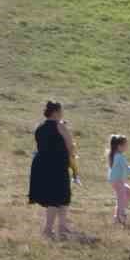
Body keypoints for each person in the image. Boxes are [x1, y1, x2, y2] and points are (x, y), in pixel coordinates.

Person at [28, 99, 78, 239]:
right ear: (55, 112)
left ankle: (62, 227)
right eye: (61, 111)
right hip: (57, 165)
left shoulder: (39, 127)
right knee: (56, 198)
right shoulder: (60, 126)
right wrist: (73, 160)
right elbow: (70, 146)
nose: (62, 114)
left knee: (62, 196)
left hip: (42, 164)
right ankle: (48, 230)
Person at [106, 134, 130, 226]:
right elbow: (126, 170)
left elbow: (123, 169)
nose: (127, 146)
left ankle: (119, 214)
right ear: (119, 146)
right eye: (125, 144)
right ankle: (119, 217)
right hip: (117, 181)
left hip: (117, 180)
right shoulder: (119, 157)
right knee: (121, 199)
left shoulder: (116, 155)